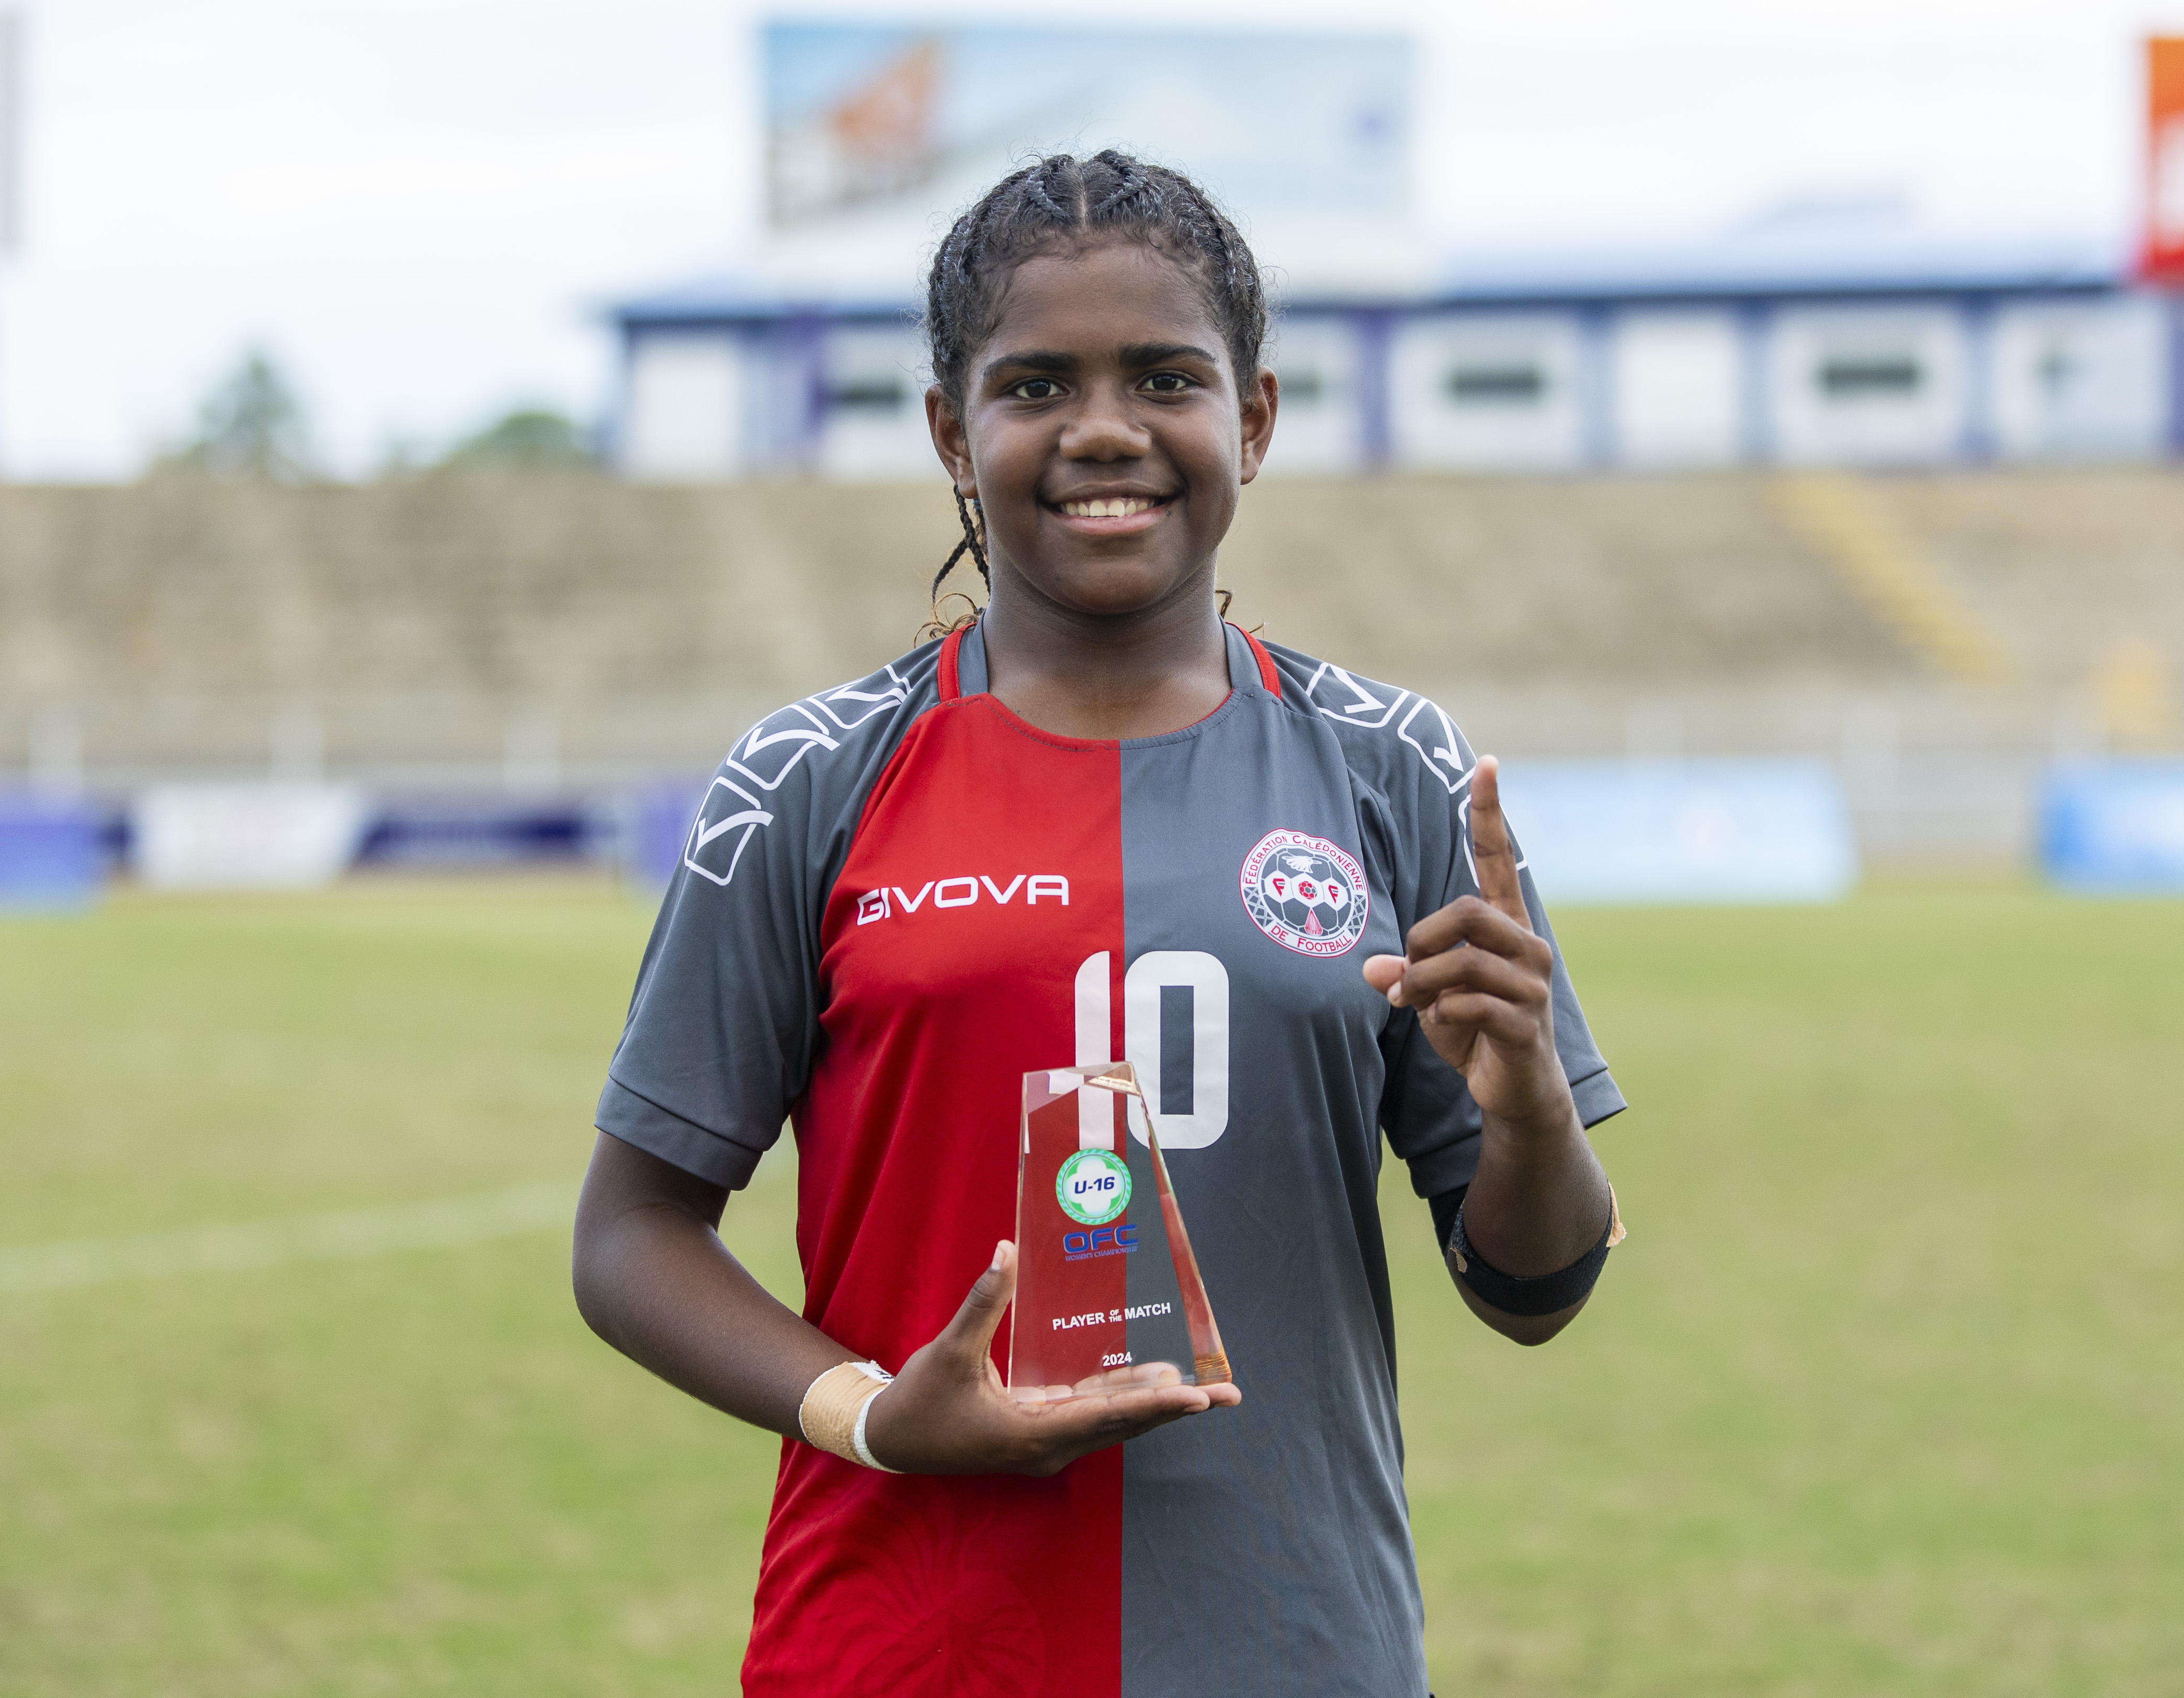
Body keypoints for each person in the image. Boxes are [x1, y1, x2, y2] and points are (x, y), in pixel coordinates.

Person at [572, 150, 1627, 1698]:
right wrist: (869, 1411)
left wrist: (1529, 1108)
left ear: (1251, 419)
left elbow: (1533, 1288)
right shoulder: (805, 780)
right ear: (951, 430)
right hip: (905, 1649)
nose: (1105, 430)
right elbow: (630, 1234)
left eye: (1165, 377)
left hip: (1294, 1647)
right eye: (1035, 385)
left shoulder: (1391, 767)